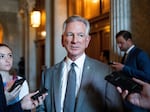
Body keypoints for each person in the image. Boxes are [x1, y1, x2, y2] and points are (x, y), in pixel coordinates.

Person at [36, 15, 124, 112]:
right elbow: (41, 108)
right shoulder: (48, 75)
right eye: (70, 34)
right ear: (62, 40)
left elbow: (115, 109)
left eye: (80, 35)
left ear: (87, 41)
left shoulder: (105, 72)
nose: (75, 40)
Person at [110, 30, 150, 112]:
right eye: (117, 43)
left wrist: (123, 68)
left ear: (129, 41)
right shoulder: (126, 55)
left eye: (121, 43)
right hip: (128, 99)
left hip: (140, 100)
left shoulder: (140, 54)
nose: (119, 45)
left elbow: (147, 75)